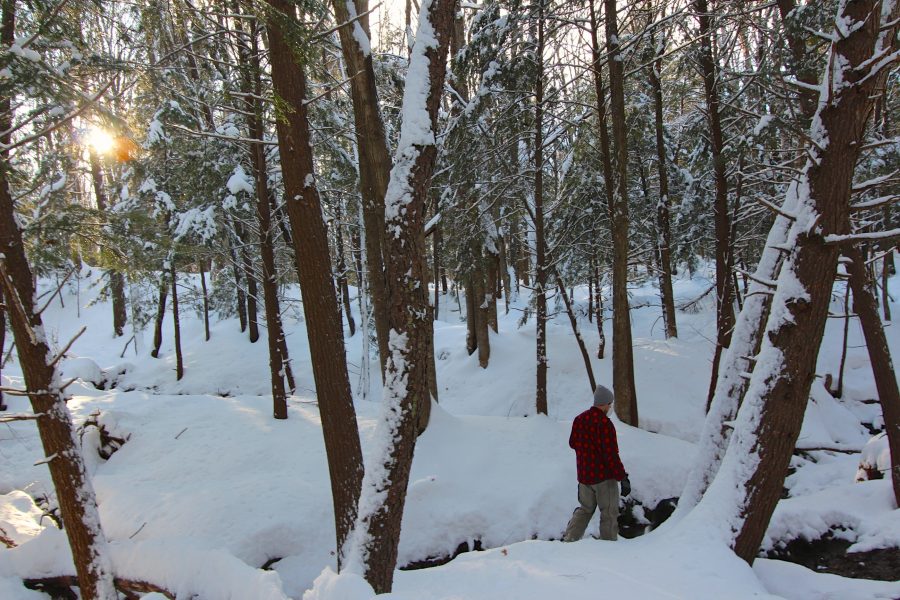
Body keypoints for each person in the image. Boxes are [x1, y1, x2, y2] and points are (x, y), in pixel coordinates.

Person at [563, 384, 630, 542]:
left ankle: (569, 540)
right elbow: (611, 455)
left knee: (585, 510)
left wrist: (586, 452)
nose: (610, 407)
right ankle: (608, 547)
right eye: (610, 404)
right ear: (605, 404)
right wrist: (622, 477)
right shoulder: (605, 425)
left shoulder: (579, 419)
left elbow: (572, 443)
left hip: (584, 477)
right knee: (608, 514)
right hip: (604, 479)